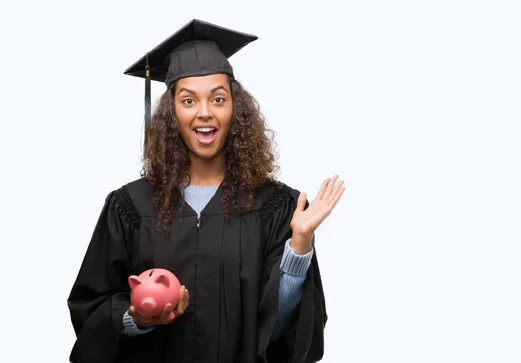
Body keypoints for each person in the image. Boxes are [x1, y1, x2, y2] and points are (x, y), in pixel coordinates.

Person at [66, 19, 345, 363]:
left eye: (217, 98)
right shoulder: (130, 207)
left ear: (235, 109)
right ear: (171, 114)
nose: (204, 112)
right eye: (188, 101)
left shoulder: (276, 208)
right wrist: (138, 316)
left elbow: (279, 332)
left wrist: (298, 247)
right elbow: (91, 308)